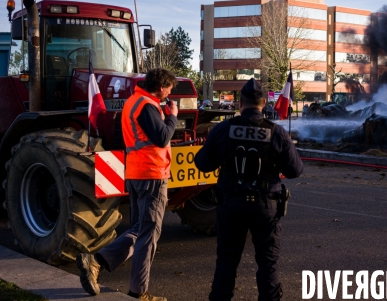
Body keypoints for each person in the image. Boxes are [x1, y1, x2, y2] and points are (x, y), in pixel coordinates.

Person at [194, 78, 303, 301]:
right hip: (265, 207)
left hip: (230, 205)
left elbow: (203, 164)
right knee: (268, 263)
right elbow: (295, 170)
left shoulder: (223, 130)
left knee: (226, 261)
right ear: (264, 103)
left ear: (240, 104)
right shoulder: (277, 133)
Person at [76, 68, 178, 301]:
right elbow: (162, 137)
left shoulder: (133, 101)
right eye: (170, 88)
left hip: (136, 173)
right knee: (148, 234)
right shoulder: (147, 105)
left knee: (139, 229)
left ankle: (96, 261)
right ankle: (138, 292)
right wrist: (172, 116)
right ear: (161, 87)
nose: (170, 92)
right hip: (151, 175)